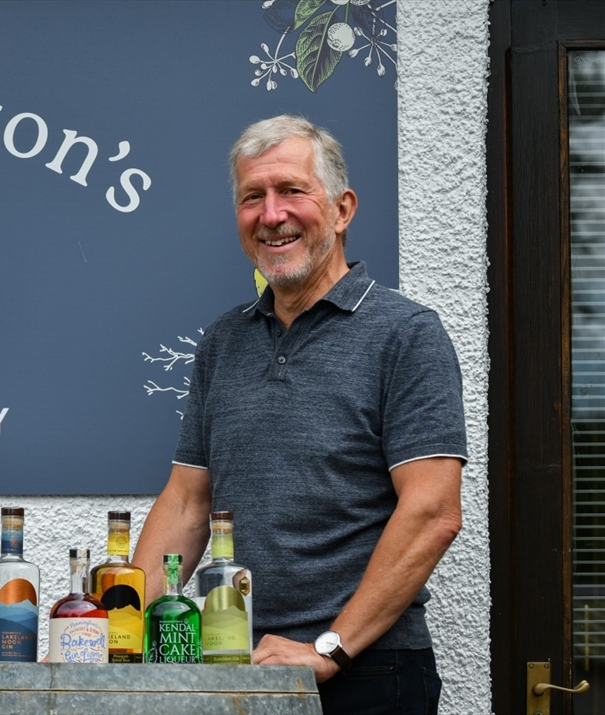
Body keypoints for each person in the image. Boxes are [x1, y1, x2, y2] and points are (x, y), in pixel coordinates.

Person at [133, 115, 466, 715]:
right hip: (243, 666)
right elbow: (186, 504)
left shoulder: (407, 335)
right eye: (252, 197)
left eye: (292, 190)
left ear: (341, 210)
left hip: (368, 670)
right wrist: (120, 635)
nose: (271, 214)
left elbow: (433, 513)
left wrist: (329, 649)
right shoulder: (224, 342)